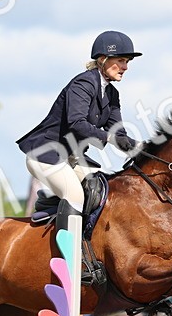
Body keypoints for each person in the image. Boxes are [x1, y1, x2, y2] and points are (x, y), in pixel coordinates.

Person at [15, 30, 141, 286]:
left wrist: (139, 148)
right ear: (103, 59)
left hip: (70, 158)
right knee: (76, 195)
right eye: (122, 61)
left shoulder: (112, 94)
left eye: (128, 62)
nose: (126, 67)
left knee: (102, 190)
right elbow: (77, 124)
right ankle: (68, 259)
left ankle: (65, 219)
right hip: (45, 155)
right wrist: (110, 138)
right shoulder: (84, 83)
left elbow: (118, 131)